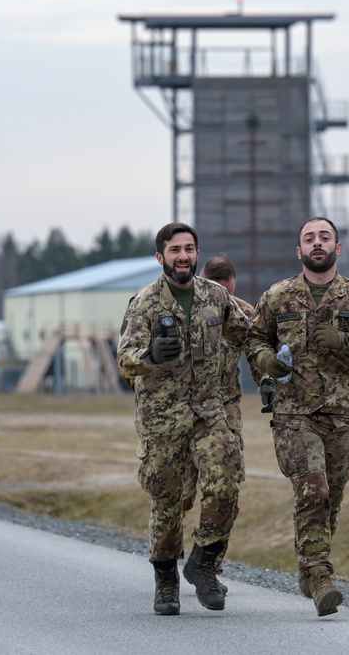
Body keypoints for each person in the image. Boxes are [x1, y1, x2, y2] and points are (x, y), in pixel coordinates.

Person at [246, 216, 349, 617]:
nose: (317, 244)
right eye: (309, 238)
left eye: (324, 238)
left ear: (337, 248)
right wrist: (265, 364)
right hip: (293, 414)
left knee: (333, 498)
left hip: (339, 416)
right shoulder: (278, 297)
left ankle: (309, 568)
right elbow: (254, 338)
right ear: (299, 251)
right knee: (314, 488)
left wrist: (348, 341)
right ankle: (320, 575)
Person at [117, 223, 249, 616]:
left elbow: (249, 335)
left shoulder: (217, 297)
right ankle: (166, 580)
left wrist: (276, 361)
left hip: (209, 413)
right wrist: (151, 356)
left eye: (189, 249)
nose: (183, 256)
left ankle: (204, 563)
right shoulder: (145, 303)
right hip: (163, 420)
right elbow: (125, 361)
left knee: (226, 481)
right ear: (161, 258)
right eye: (175, 250)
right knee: (168, 503)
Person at [179, 255, 270, 582]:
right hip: (184, 410)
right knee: (182, 491)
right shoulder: (183, 307)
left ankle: (210, 559)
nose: (221, 299)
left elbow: (258, 352)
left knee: (227, 484)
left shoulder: (242, 311)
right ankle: (170, 538)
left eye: (226, 293)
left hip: (224, 410)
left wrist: (267, 384)